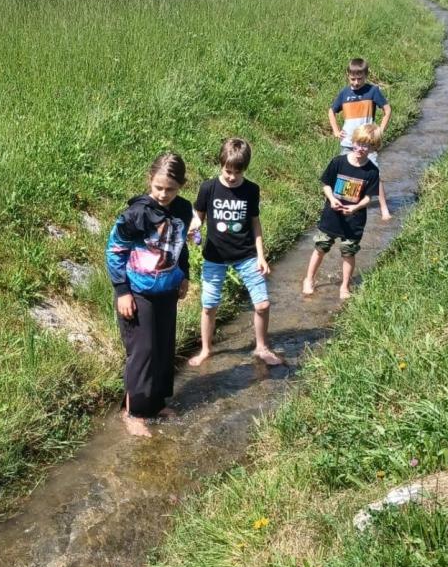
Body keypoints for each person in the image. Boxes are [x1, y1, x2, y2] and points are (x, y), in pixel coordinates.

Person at [106, 152, 193, 437]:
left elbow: (181, 245)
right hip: (138, 291)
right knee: (142, 352)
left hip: (167, 289)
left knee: (163, 348)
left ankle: (154, 405)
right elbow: (115, 251)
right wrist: (122, 292)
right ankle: (132, 412)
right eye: (158, 187)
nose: (163, 194)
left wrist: (184, 275)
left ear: (181, 185)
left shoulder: (183, 209)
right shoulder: (137, 214)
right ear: (149, 181)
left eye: (170, 189)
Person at [187, 137, 281, 368]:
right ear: (221, 164)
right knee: (209, 305)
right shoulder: (208, 188)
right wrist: (194, 226)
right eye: (227, 170)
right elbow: (198, 216)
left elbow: (255, 223)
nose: (231, 176)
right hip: (215, 256)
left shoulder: (251, 190)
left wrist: (261, 255)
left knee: (262, 304)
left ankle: (261, 347)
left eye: (236, 172)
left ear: (244, 169)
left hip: (247, 254)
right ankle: (206, 350)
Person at [303, 123, 382, 301]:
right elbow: (326, 184)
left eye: (367, 145)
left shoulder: (372, 171)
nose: (361, 148)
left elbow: (369, 197)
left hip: (354, 219)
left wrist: (355, 207)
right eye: (359, 143)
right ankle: (309, 279)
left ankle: (345, 285)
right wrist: (332, 199)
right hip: (331, 216)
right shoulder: (338, 162)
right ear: (353, 141)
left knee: (349, 252)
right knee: (320, 247)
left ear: (373, 148)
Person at [328, 57, 392, 221]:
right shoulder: (344, 93)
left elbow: (387, 110)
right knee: (347, 175)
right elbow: (331, 111)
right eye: (353, 79)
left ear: (366, 75)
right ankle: (346, 209)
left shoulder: (373, 91)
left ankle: (384, 210)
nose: (356, 82)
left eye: (360, 79)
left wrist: (380, 131)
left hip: (368, 144)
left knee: (374, 174)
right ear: (347, 76)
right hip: (348, 143)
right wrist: (336, 130)